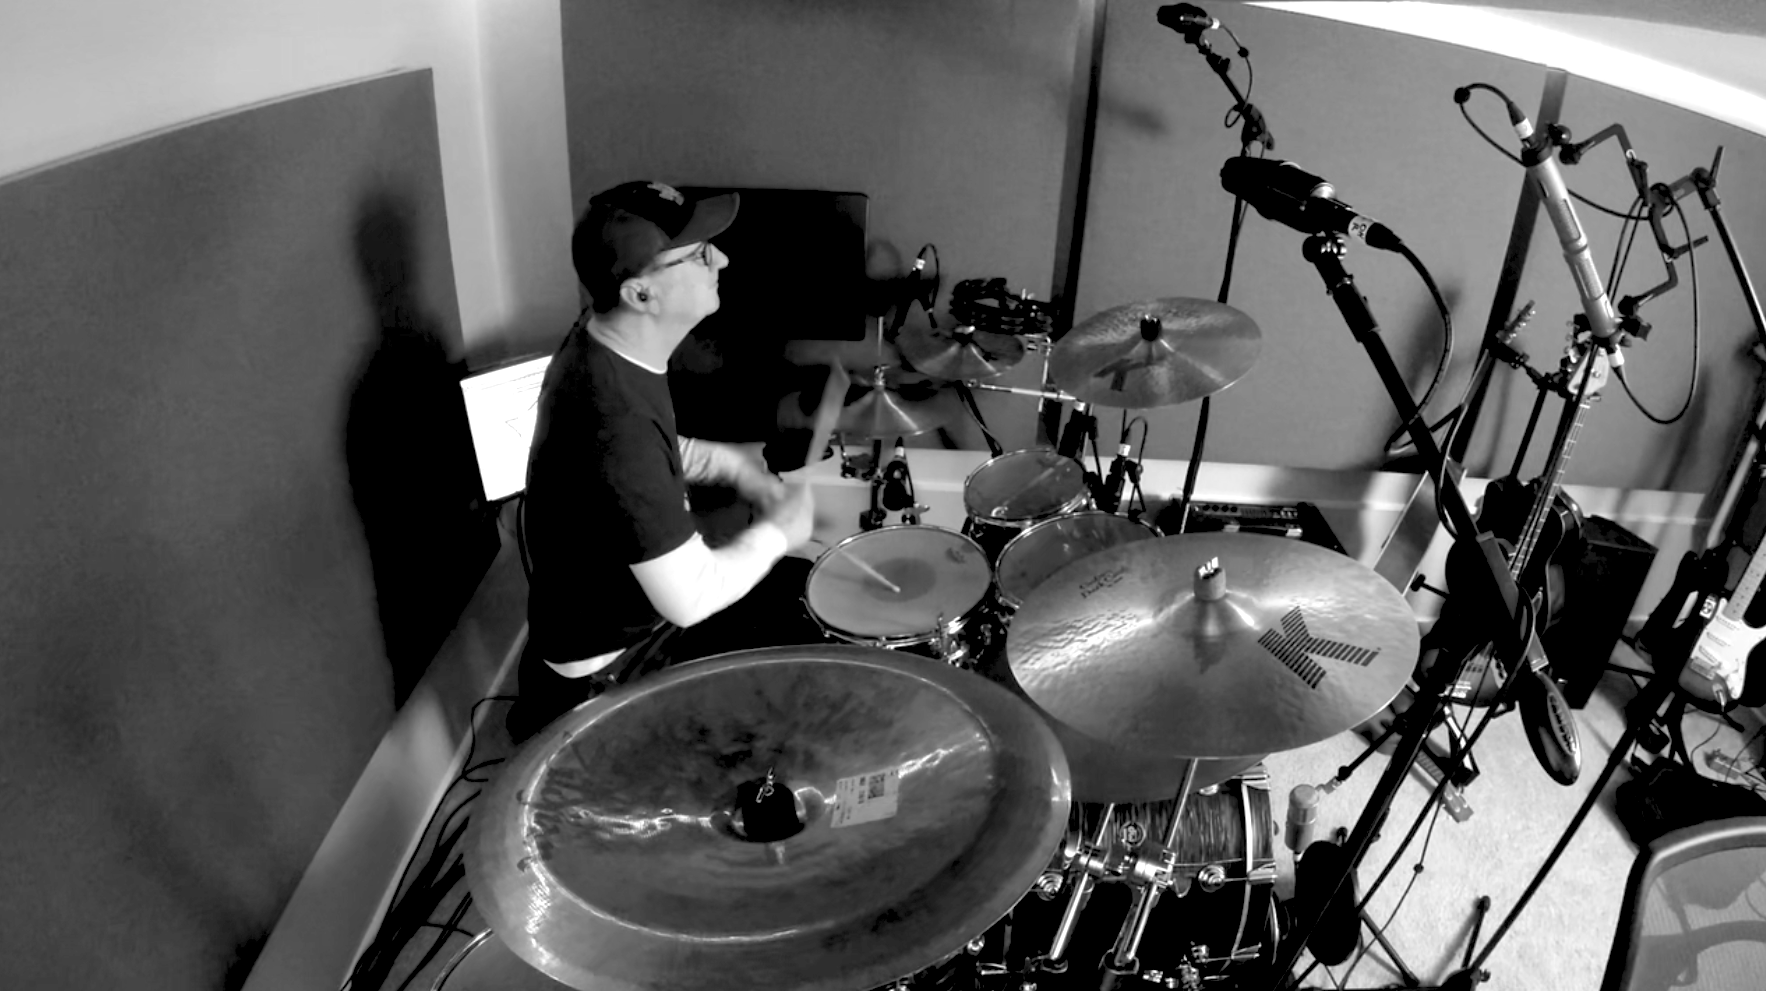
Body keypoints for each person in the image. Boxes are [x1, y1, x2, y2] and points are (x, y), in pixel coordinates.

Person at [508, 180, 821, 743]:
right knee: (798, 684)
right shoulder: (614, 417)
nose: (721, 258)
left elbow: (646, 454)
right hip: (611, 671)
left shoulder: (603, 344)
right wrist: (783, 530)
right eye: (700, 253)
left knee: (797, 598)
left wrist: (730, 466)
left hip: (607, 624)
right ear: (640, 294)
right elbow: (689, 598)